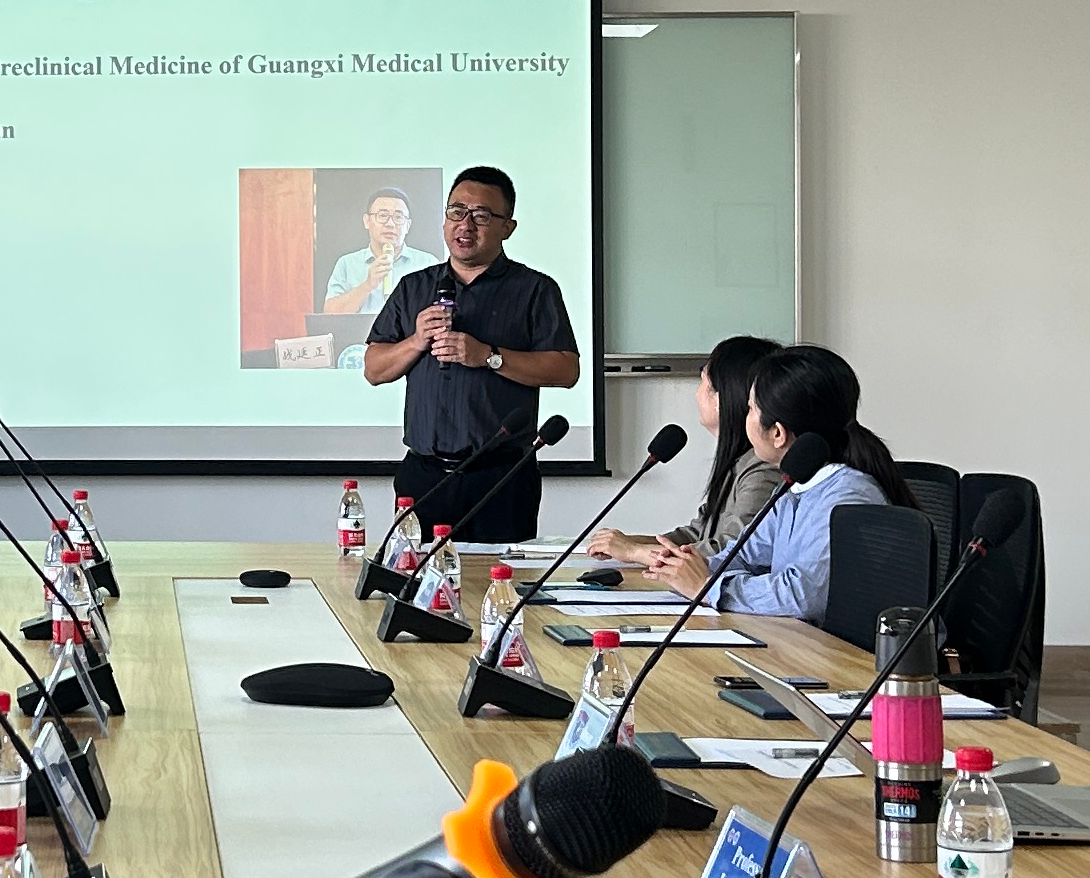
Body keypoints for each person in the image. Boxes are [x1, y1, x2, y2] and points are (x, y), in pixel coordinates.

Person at [360, 167, 581, 543]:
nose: (465, 225)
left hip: (501, 478)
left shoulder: (535, 289)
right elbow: (373, 369)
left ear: (507, 227)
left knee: (500, 578)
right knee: (417, 577)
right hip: (423, 475)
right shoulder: (414, 287)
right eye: (456, 212)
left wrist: (489, 356)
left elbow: (566, 369)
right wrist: (416, 341)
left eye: (481, 215)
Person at [642, 345, 920, 624]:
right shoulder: (795, 487)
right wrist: (690, 566)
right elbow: (745, 556)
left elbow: (804, 596)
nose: (744, 417)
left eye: (750, 409)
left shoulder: (847, 497)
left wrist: (708, 587)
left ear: (777, 433)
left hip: (842, 648)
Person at [588, 335, 782, 565]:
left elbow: (732, 551)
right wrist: (628, 543)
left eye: (702, 382)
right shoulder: (739, 462)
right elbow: (698, 535)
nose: (696, 393)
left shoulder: (763, 469)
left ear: (721, 398)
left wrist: (634, 552)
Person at [324, 187, 442, 318]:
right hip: (361, 332)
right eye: (382, 215)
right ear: (367, 221)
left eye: (398, 217)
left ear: (408, 226)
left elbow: (441, 312)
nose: (390, 224)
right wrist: (368, 285)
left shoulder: (427, 264)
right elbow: (330, 315)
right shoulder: (347, 263)